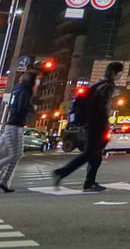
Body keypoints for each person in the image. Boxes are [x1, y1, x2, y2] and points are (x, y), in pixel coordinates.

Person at [52, 61, 122, 191]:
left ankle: (89, 182)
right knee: (90, 153)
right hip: (97, 123)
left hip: (90, 123)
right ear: (114, 72)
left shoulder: (99, 83)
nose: (121, 76)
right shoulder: (107, 86)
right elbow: (101, 106)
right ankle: (61, 172)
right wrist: (105, 120)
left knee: (95, 154)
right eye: (120, 72)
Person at [0, 63, 37, 193]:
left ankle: (3, 181)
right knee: (14, 154)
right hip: (15, 124)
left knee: (17, 154)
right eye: (37, 80)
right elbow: (21, 107)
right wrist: (31, 108)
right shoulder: (25, 90)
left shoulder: (18, 89)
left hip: (15, 124)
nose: (38, 83)